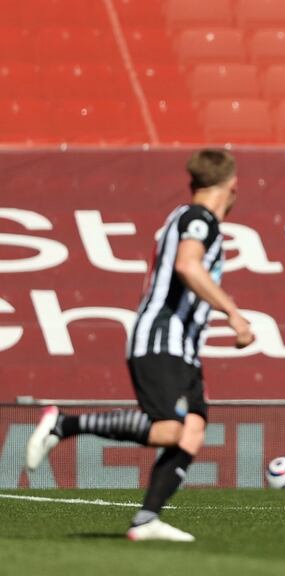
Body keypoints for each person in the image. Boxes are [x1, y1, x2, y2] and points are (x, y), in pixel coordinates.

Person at [25, 149, 254, 541]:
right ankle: (64, 424)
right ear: (233, 185)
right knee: (169, 431)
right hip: (161, 338)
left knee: (193, 431)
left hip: (183, 346)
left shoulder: (185, 218)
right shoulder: (199, 219)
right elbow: (187, 265)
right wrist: (233, 313)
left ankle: (147, 519)